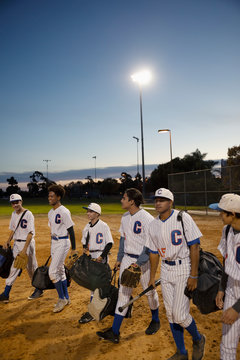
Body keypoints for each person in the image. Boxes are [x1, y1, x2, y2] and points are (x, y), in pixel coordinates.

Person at [147, 188, 205, 360]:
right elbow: (153, 252)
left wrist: (193, 275)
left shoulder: (182, 217)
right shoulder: (153, 224)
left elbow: (195, 246)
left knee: (180, 315)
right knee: (171, 314)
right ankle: (181, 352)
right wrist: (151, 277)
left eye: (162, 200)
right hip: (165, 269)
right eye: (156, 199)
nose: (158, 203)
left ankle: (198, 338)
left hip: (183, 267)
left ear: (170, 202)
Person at [97, 188, 160, 344]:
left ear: (132, 201)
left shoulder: (147, 218)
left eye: (124, 198)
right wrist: (119, 258)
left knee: (149, 292)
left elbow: (150, 246)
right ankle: (115, 331)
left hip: (142, 261)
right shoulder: (125, 217)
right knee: (123, 294)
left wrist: (138, 264)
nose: (121, 200)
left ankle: (156, 319)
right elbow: (123, 240)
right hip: (126, 258)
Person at [210, 193, 240, 360]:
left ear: (233, 214)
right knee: (227, 343)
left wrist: (236, 308)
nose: (220, 214)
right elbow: (227, 262)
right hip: (231, 288)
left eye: (222, 212)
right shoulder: (227, 230)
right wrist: (222, 288)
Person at [0, 194, 43, 303]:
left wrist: (24, 250)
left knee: (31, 267)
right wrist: (8, 241)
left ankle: (38, 289)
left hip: (27, 244)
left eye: (17, 202)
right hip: (17, 244)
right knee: (15, 267)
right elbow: (13, 230)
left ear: (21, 202)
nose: (15, 204)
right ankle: (6, 294)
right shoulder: (14, 214)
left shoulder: (28, 214)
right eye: (13, 203)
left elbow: (30, 233)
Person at [78, 202, 114, 324]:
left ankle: (94, 311)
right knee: (93, 284)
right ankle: (98, 308)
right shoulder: (86, 227)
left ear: (97, 213)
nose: (88, 213)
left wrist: (102, 256)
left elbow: (109, 243)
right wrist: (85, 251)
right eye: (87, 211)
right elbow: (84, 242)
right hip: (91, 256)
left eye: (91, 211)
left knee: (97, 284)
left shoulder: (104, 226)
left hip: (100, 257)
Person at [48, 184, 77, 313]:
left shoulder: (64, 211)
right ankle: (66, 297)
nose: (49, 198)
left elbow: (71, 230)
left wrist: (74, 248)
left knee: (52, 272)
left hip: (63, 242)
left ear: (58, 197)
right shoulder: (50, 212)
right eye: (49, 195)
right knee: (59, 271)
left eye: (52, 196)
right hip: (54, 242)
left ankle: (61, 299)